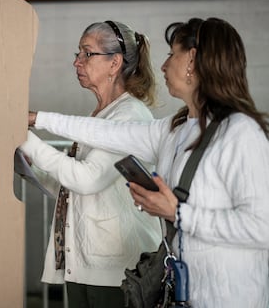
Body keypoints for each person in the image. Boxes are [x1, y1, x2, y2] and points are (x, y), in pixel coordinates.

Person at [27, 17, 269, 308]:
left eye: (171, 55)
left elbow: (261, 226)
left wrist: (178, 213)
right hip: (181, 292)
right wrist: (37, 119)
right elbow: (106, 132)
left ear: (192, 60)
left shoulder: (241, 133)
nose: (164, 66)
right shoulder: (175, 129)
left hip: (228, 296)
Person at [19, 21, 162, 308]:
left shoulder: (129, 115)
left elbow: (88, 179)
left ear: (114, 63)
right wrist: (29, 167)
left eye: (87, 53)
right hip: (86, 264)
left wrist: (24, 136)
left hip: (115, 271)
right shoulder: (99, 114)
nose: (77, 62)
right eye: (78, 53)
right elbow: (72, 189)